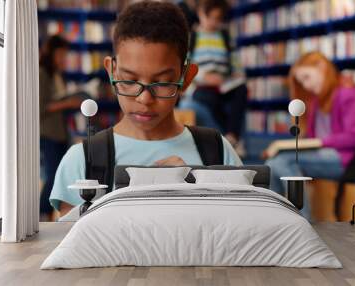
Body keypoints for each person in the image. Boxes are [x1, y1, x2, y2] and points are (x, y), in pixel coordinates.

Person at [49, 1, 242, 217]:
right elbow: (74, 246)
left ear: (186, 78)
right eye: (129, 80)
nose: (144, 98)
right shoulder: (82, 160)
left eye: (162, 83)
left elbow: (239, 238)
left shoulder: (218, 151)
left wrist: (195, 190)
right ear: (112, 72)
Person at [265, 51, 355, 218]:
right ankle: (277, 220)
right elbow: (313, 138)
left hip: (346, 159)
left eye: (307, 77)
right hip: (325, 156)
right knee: (272, 163)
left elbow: (354, 137)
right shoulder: (316, 100)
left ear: (322, 67)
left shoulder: (348, 93)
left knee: (283, 160)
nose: (306, 86)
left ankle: (300, 222)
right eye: (302, 82)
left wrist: (317, 142)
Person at [179, 0, 248, 154]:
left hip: (224, 82)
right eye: (210, 17)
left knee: (241, 91)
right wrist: (205, 77)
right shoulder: (192, 38)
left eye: (218, 18)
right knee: (208, 98)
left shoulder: (224, 36)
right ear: (200, 14)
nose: (213, 22)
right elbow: (185, 65)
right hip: (201, 84)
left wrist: (238, 75)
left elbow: (235, 60)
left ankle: (232, 137)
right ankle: (227, 138)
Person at [39, 35, 83, 220]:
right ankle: (43, 212)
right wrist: (68, 103)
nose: (64, 58)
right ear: (52, 53)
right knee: (52, 174)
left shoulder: (58, 74)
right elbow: (41, 107)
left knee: (59, 173)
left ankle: (48, 213)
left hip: (62, 132)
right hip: (49, 132)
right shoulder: (42, 73)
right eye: (61, 54)